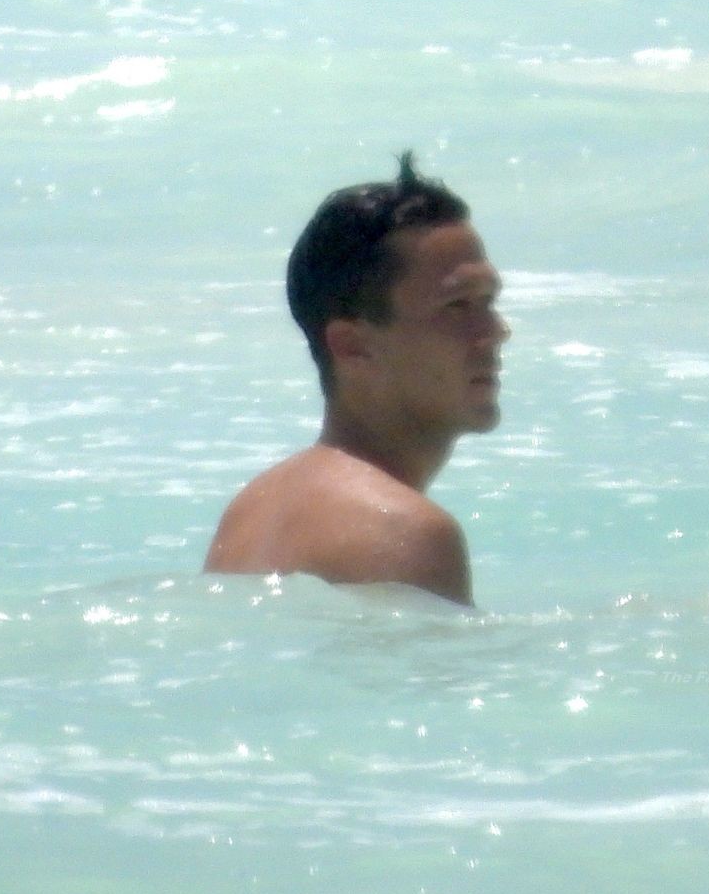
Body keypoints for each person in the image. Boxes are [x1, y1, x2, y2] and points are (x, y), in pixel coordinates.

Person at [204, 155, 507, 605]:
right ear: (352, 345)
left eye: (488, 302)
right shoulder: (407, 533)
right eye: (457, 306)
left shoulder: (250, 511)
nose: (496, 332)